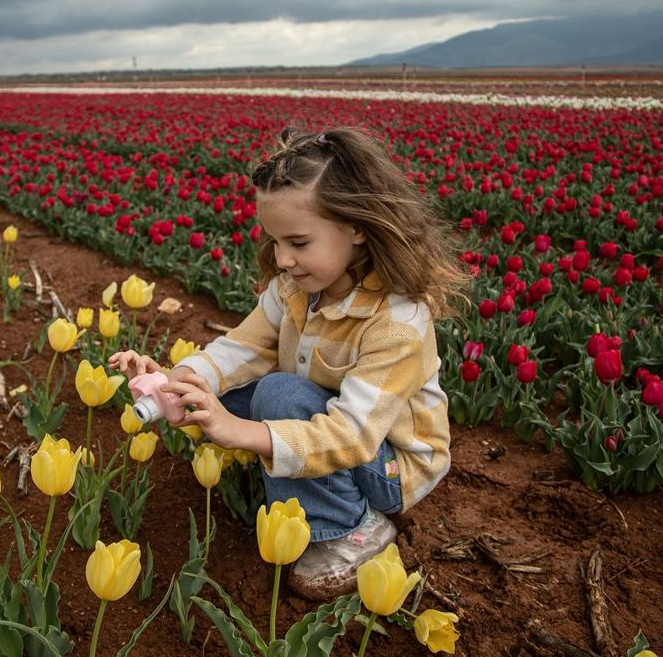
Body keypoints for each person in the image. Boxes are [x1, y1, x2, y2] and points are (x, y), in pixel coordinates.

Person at [110, 127, 468, 600]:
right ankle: (304, 483)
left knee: (275, 395)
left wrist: (240, 432)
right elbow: (244, 349)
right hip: (326, 417)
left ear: (357, 227)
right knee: (234, 390)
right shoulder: (296, 290)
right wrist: (176, 381)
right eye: (275, 241)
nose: (282, 259)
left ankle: (352, 530)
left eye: (298, 243)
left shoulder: (398, 321)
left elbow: (353, 435)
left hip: (390, 465)